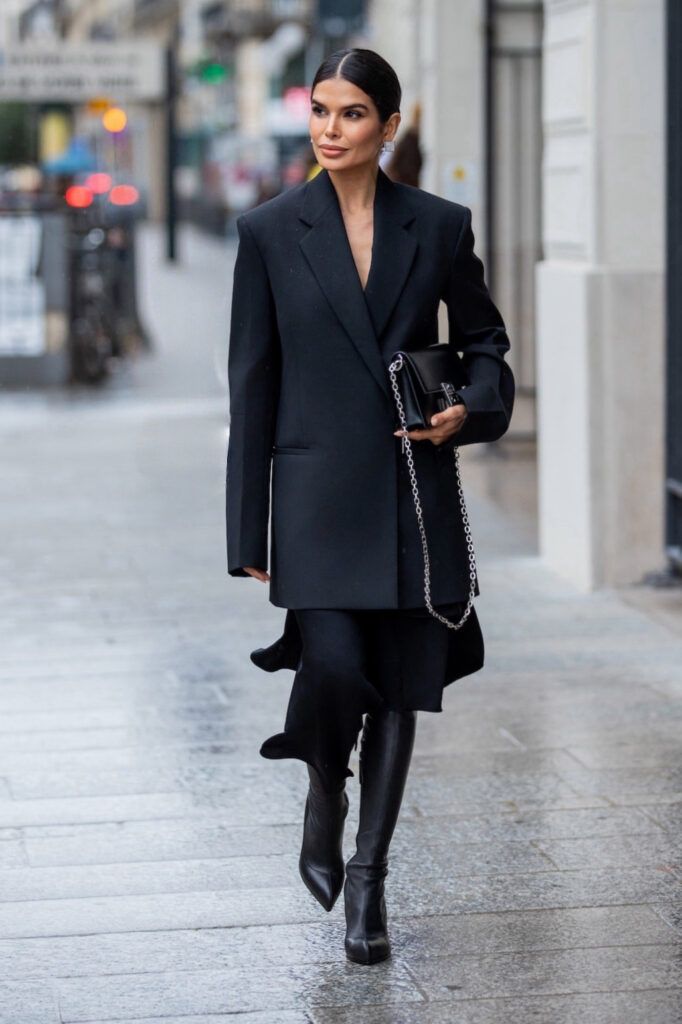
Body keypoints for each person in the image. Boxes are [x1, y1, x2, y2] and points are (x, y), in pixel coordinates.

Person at [225, 48, 514, 965]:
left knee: (397, 690)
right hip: (312, 496)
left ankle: (369, 881)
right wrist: (247, 529)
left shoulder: (437, 225)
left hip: (408, 491)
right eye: (321, 110)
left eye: (352, 114)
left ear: (388, 127)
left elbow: (486, 343)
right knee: (336, 667)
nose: (330, 128)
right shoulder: (269, 231)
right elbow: (251, 385)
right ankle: (324, 791)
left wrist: (471, 409)